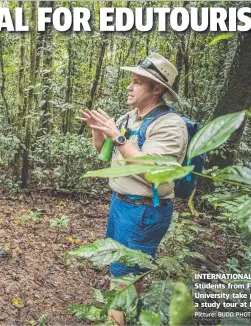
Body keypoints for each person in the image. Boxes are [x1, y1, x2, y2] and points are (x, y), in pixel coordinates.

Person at [78, 53, 188, 325]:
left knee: (124, 275)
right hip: (121, 204)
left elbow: (153, 171)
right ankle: (125, 311)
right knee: (124, 269)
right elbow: (105, 155)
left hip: (144, 211)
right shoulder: (130, 117)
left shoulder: (170, 125)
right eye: (132, 81)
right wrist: (98, 131)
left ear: (157, 88)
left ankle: (117, 318)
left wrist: (117, 135)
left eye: (137, 82)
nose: (129, 87)